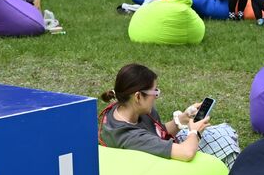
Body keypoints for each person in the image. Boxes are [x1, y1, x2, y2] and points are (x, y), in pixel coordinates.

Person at [98, 63, 240, 167]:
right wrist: (195, 132)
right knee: (227, 147)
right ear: (138, 97)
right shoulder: (130, 137)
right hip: (159, 168)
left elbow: (159, 133)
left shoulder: (127, 107)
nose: (156, 97)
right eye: (155, 92)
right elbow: (186, 153)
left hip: (164, 151)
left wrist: (183, 118)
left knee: (225, 132)